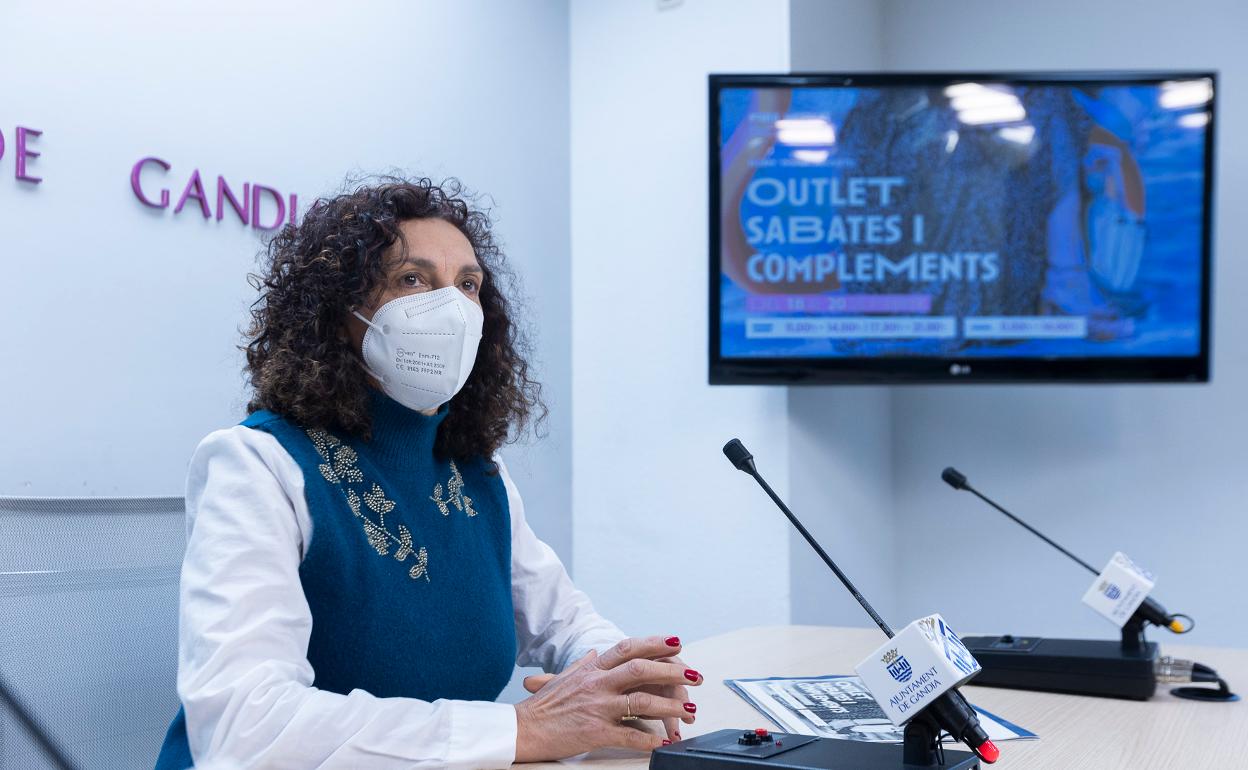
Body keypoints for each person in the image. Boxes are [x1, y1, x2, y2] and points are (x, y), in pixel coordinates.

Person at [153, 178, 700, 769]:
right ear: (339, 313)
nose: (452, 310)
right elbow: (244, 728)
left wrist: (621, 674)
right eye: (412, 280)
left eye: (468, 285)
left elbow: (564, 623)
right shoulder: (255, 463)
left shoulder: (479, 474)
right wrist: (521, 729)